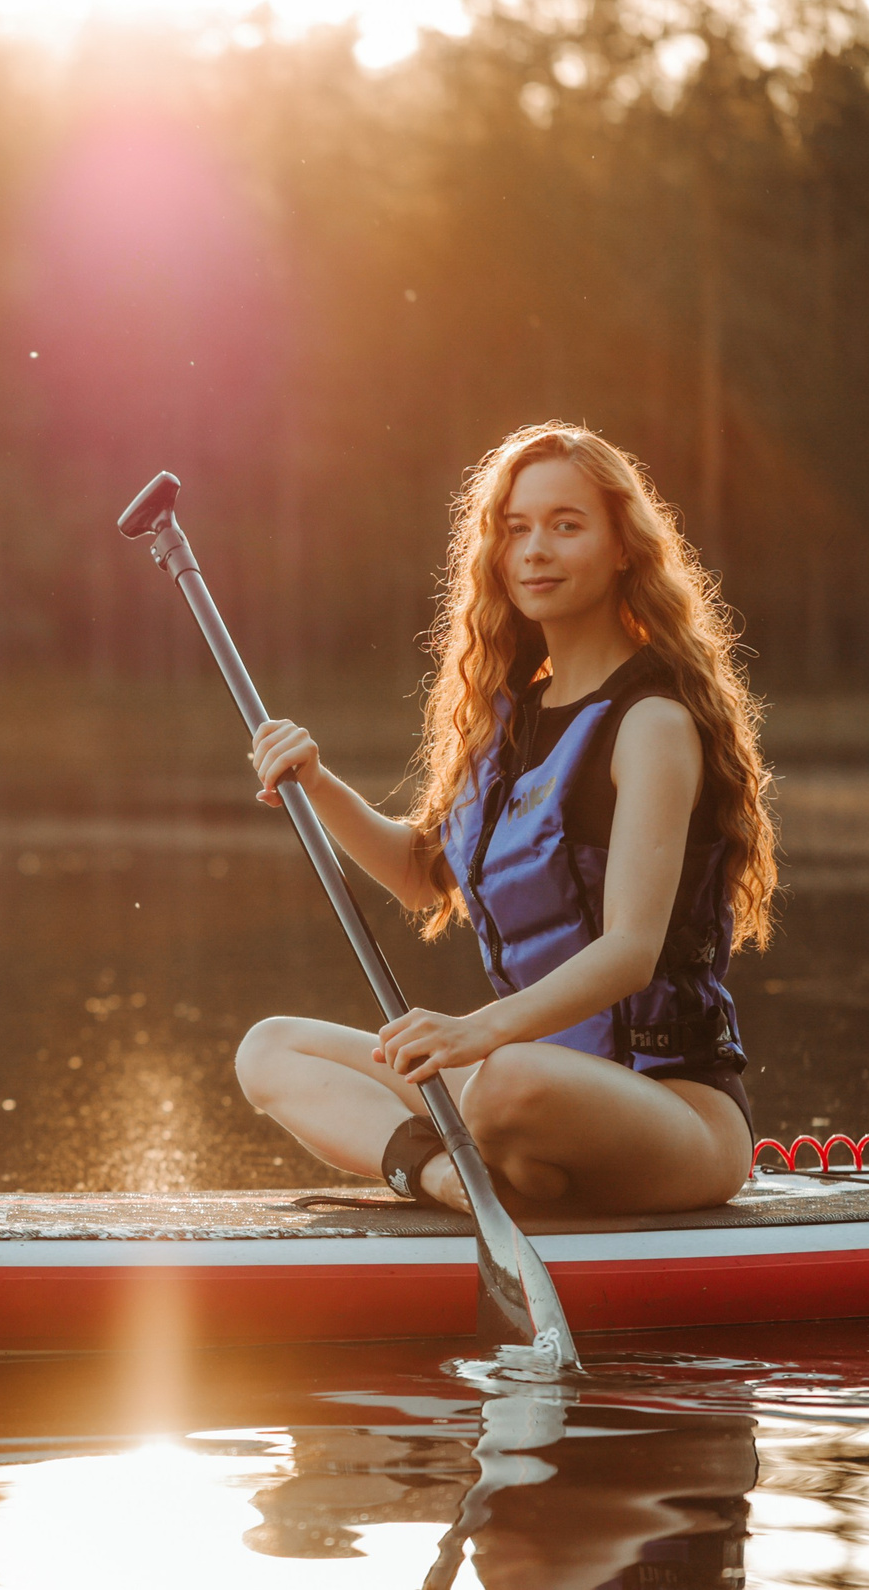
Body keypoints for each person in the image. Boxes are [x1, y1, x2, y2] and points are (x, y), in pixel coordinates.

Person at [233, 422, 775, 1215]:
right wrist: (316, 784)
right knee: (271, 1047)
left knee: (506, 1081)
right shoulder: (509, 723)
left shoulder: (652, 722)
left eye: (566, 525)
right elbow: (421, 877)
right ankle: (446, 1180)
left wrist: (475, 1033)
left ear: (623, 548)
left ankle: (499, 1169)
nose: (535, 551)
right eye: (516, 529)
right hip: (519, 1087)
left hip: (670, 1111)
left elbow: (631, 953)